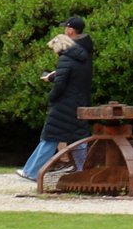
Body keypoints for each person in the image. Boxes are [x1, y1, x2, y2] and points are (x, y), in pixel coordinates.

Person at [20, 15, 94, 182]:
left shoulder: (66, 57)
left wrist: (51, 97)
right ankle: (83, 171)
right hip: (80, 101)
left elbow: (61, 83)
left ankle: (32, 171)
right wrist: (53, 76)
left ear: (70, 31)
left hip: (64, 103)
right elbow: (73, 75)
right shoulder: (85, 52)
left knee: (50, 138)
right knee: (79, 139)